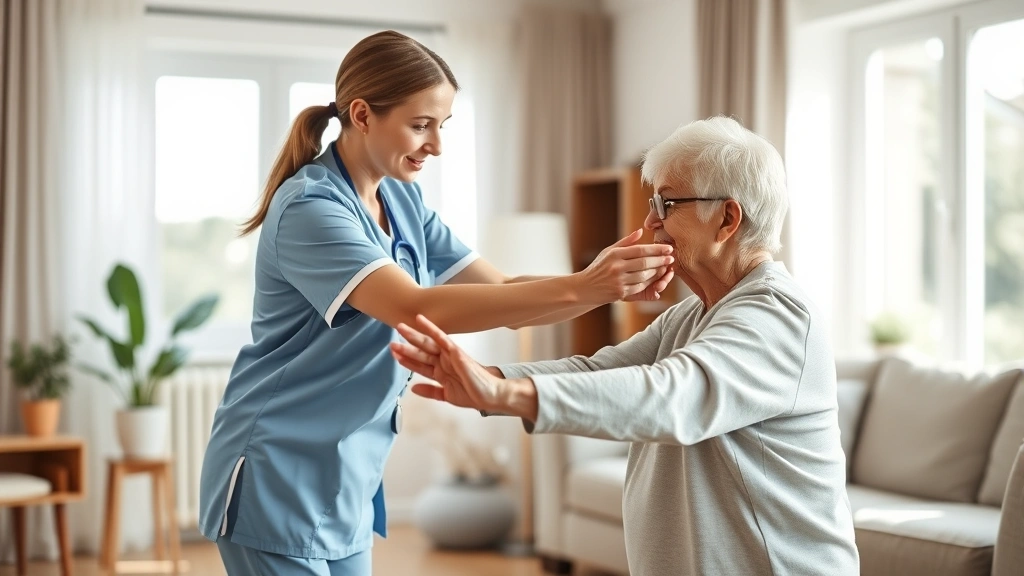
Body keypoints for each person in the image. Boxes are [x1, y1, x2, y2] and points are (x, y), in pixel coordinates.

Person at [197, 30, 674, 576]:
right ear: (362, 114)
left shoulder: (402, 198)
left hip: (346, 475)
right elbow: (417, 306)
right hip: (275, 469)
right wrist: (588, 286)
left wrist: (603, 282)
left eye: (441, 126)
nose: (436, 146)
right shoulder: (310, 208)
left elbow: (501, 293)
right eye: (420, 125)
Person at [391, 117, 861, 576]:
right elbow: (598, 370)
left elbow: (671, 395)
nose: (650, 221)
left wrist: (508, 396)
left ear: (727, 219)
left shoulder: (778, 316)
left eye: (666, 203)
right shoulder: (692, 315)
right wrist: (488, 380)